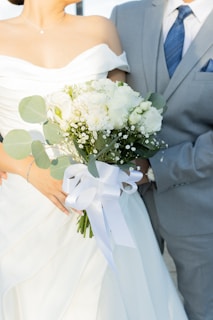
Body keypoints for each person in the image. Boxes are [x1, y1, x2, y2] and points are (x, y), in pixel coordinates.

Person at [0, 0, 188, 319]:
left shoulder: (102, 29)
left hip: (103, 205)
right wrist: (29, 171)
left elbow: (121, 117)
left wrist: (110, 164)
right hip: (22, 210)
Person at [111, 1, 213, 320]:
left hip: (203, 206)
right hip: (128, 206)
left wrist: (156, 167)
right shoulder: (123, 15)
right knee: (129, 308)